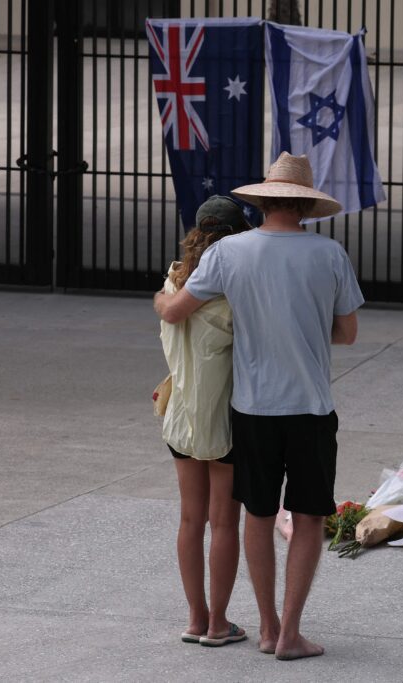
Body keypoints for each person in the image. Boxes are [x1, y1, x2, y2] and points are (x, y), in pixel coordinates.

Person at [153, 152, 363, 660]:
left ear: (263, 200)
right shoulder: (330, 255)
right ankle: (291, 633)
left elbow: (177, 311)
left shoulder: (230, 253)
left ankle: (266, 628)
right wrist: (302, 327)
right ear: (306, 204)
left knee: (258, 516)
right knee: (308, 518)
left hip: (251, 408)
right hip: (311, 408)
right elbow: (347, 333)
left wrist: (160, 301)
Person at [155, 195, 251, 647]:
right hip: (225, 416)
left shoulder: (172, 284)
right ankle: (219, 623)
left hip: (180, 416)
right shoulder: (234, 291)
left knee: (190, 520)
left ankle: (196, 618)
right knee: (224, 523)